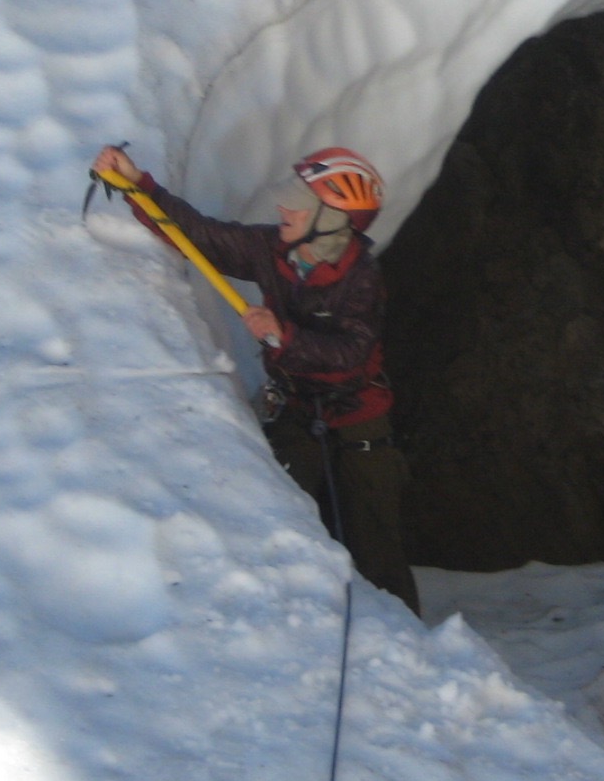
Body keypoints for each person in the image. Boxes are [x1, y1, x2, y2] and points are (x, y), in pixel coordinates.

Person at [92, 142, 419, 614]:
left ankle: (400, 641)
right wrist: (137, 184)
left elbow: (350, 352)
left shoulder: (361, 279)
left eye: (301, 202)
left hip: (357, 423)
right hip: (295, 411)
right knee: (279, 522)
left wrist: (282, 336)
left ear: (333, 220)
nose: (285, 206)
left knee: (375, 546)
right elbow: (203, 237)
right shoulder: (274, 249)